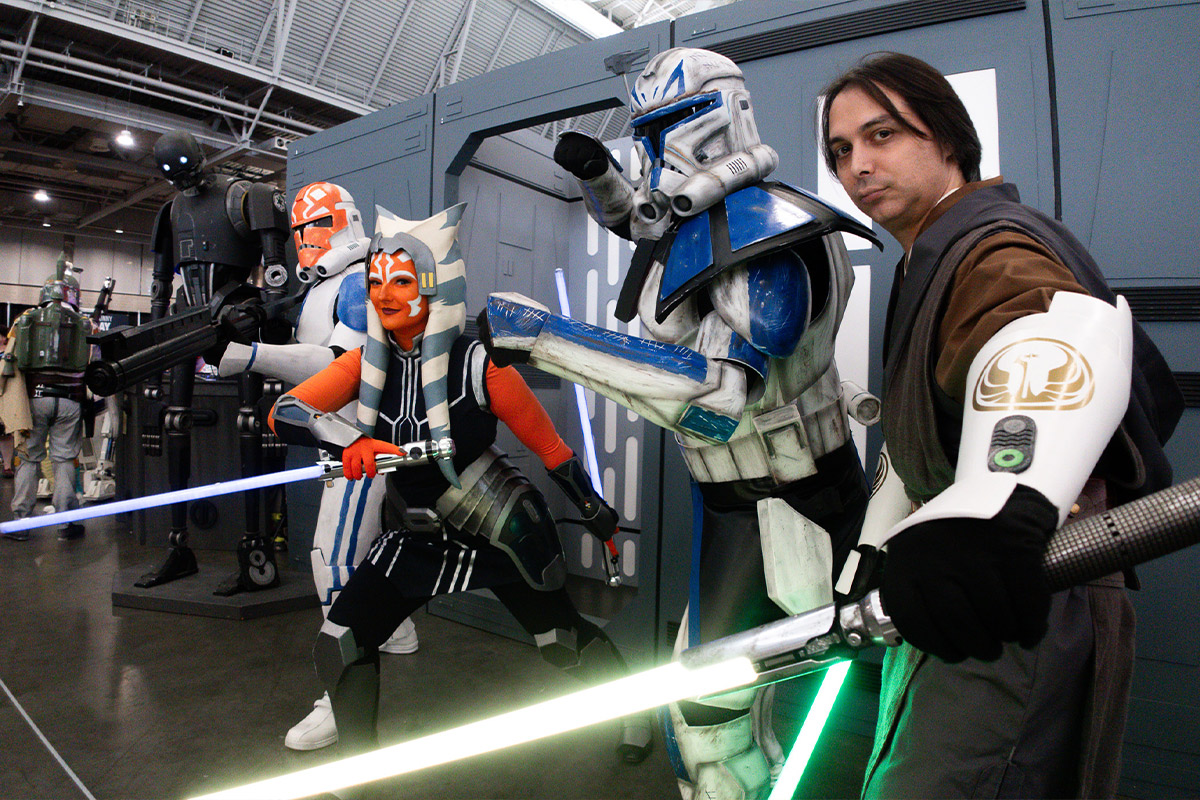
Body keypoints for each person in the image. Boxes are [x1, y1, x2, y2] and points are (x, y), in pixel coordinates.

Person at [481, 47, 875, 799]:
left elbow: (723, 399)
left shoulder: (770, 235)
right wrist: (602, 179)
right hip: (736, 509)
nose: (659, 150)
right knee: (706, 720)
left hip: (798, 507)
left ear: (726, 117)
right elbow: (653, 227)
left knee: (877, 690)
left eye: (674, 125)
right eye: (650, 131)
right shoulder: (725, 220)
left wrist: (548, 340)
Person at [820, 52, 1183, 798]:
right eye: (841, 150)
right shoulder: (935, 253)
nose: (858, 165)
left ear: (947, 139)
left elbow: (1041, 344)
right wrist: (870, 553)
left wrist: (995, 499)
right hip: (966, 584)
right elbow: (918, 434)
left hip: (1019, 590)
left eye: (881, 135)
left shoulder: (994, 247)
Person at [268, 203, 652, 763]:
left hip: (496, 527)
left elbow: (553, 450)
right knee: (340, 643)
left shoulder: (479, 365)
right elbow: (284, 411)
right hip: (417, 537)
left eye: (401, 280)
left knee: (560, 643)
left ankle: (635, 710)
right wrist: (346, 440)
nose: (383, 294)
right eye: (376, 280)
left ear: (432, 285)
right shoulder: (363, 366)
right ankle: (359, 774)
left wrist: (598, 516)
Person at [219, 181, 420, 751]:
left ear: (333, 225)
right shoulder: (333, 284)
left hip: (365, 441)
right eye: (301, 232)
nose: (304, 243)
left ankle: (342, 692)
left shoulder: (359, 283)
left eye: (311, 229)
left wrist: (254, 356)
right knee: (364, 547)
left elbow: (343, 362)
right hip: (343, 440)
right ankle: (395, 629)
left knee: (332, 559)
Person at [2, 254, 90, 542]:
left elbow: (9, 360)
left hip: (34, 399)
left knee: (28, 458)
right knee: (65, 460)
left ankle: (21, 523)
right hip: (71, 400)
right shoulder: (85, 324)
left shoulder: (24, 319)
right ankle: (66, 522)